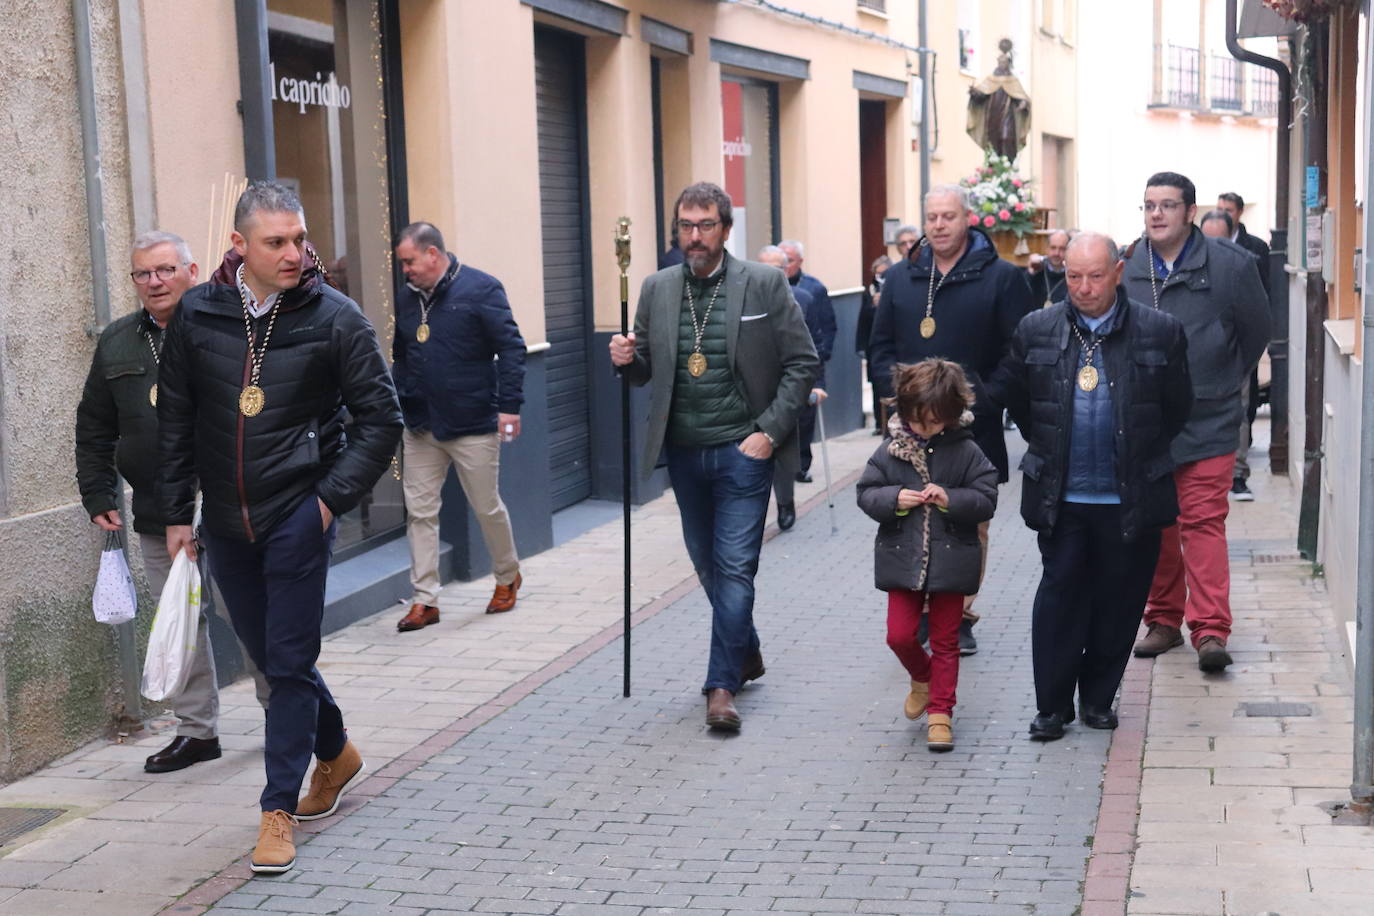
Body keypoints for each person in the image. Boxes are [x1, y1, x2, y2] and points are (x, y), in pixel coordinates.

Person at [159, 181, 403, 874]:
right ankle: (338, 751)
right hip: (226, 523)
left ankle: (277, 809)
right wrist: (179, 511)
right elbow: (175, 419)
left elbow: (381, 420)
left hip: (298, 514)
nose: (295, 252)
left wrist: (327, 503)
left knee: (287, 663)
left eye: (299, 238)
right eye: (277, 242)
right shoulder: (198, 313)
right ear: (239, 246)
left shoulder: (335, 317)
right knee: (271, 657)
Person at [608, 182, 818, 731]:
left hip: (742, 452)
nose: (694, 237)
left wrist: (769, 433)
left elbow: (802, 363)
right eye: (685, 226)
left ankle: (720, 687)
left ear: (725, 229)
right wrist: (625, 358)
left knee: (734, 567)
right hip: (683, 453)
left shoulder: (766, 284)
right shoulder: (656, 288)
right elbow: (646, 370)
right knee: (708, 566)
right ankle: (744, 649)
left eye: (705, 225)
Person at [76, 230, 267, 774]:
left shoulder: (228, 326)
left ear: (191, 269)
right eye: (143, 273)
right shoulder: (117, 342)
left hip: (231, 507)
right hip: (159, 512)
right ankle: (196, 732)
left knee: (250, 615)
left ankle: (285, 716)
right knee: (180, 623)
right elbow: (93, 426)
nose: (155, 282)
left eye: (165, 270)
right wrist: (97, 491)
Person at [988, 233, 1193, 741]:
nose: (1082, 287)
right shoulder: (1036, 329)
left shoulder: (1159, 331)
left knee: (1120, 600)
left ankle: (1099, 698)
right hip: (1063, 496)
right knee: (1059, 597)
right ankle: (1052, 707)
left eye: (1095, 276)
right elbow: (1017, 400)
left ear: (1119, 271)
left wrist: (1135, 452)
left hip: (1131, 495)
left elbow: (1177, 408)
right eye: (1073, 276)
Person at [869, 184, 1036, 655]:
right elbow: (879, 347)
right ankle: (920, 610)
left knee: (966, 525)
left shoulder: (1001, 277)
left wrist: (986, 396)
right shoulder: (901, 278)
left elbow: (1018, 351)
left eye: (948, 216)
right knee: (910, 513)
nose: (939, 225)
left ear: (967, 219)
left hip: (971, 427)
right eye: (932, 217)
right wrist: (902, 398)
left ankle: (957, 612)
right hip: (908, 430)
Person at [1123, 172, 1269, 673]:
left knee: (1202, 522)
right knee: (1160, 522)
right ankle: (1163, 621)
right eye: (1148, 206)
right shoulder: (1128, 266)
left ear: (1189, 211)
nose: (1156, 214)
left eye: (1167, 205)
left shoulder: (1231, 265)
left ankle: (1210, 630)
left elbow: (1255, 333)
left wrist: (1222, 378)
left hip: (1210, 417)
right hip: (1148, 422)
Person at [856, 359, 997, 753]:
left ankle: (941, 714)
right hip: (902, 560)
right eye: (917, 420)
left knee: (946, 639)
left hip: (953, 559)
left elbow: (987, 498)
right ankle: (924, 677)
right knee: (899, 635)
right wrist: (893, 500)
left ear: (951, 416)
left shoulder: (967, 450)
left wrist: (951, 498)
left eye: (934, 422)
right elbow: (867, 493)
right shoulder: (890, 451)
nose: (924, 429)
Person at [391, 222, 526, 629]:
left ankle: (507, 576)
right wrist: (401, 393)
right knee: (420, 512)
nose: (406, 271)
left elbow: (511, 346)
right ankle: (425, 599)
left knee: (486, 507)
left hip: (472, 422)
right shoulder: (407, 298)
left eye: (410, 261)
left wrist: (510, 407)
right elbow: (402, 351)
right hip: (421, 424)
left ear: (432, 254)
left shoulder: (482, 289)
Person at [757, 245, 821, 531]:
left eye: (776, 267)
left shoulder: (804, 299)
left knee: (782, 452)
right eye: (764, 267)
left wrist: (816, 385)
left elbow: (815, 347)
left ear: (786, 271)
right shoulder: (746, 300)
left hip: (788, 387)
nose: (770, 273)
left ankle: (785, 501)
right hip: (753, 388)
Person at [1216, 192, 1271, 503]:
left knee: (1240, 411)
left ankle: (1237, 474)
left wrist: (1248, 354)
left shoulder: (1254, 251)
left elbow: (1260, 305)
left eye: (1228, 209)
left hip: (1238, 350)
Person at [778, 240, 836, 490]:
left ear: (799, 262)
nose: (785, 266)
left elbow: (825, 328)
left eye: (788, 260)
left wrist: (820, 369)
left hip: (806, 366)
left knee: (804, 419)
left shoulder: (812, 290)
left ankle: (801, 466)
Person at [857, 255, 892, 434]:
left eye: (882, 273)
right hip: (873, 345)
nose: (879, 277)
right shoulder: (870, 290)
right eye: (877, 273)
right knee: (876, 383)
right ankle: (880, 423)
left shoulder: (893, 285)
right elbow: (863, 319)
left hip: (890, 345)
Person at [1026, 228, 1070, 306]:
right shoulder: (1037, 270)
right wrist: (1030, 274)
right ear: (1046, 248)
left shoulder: (1072, 275)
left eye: (1062, 249)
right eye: (1053, 248)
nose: (1057, 253)